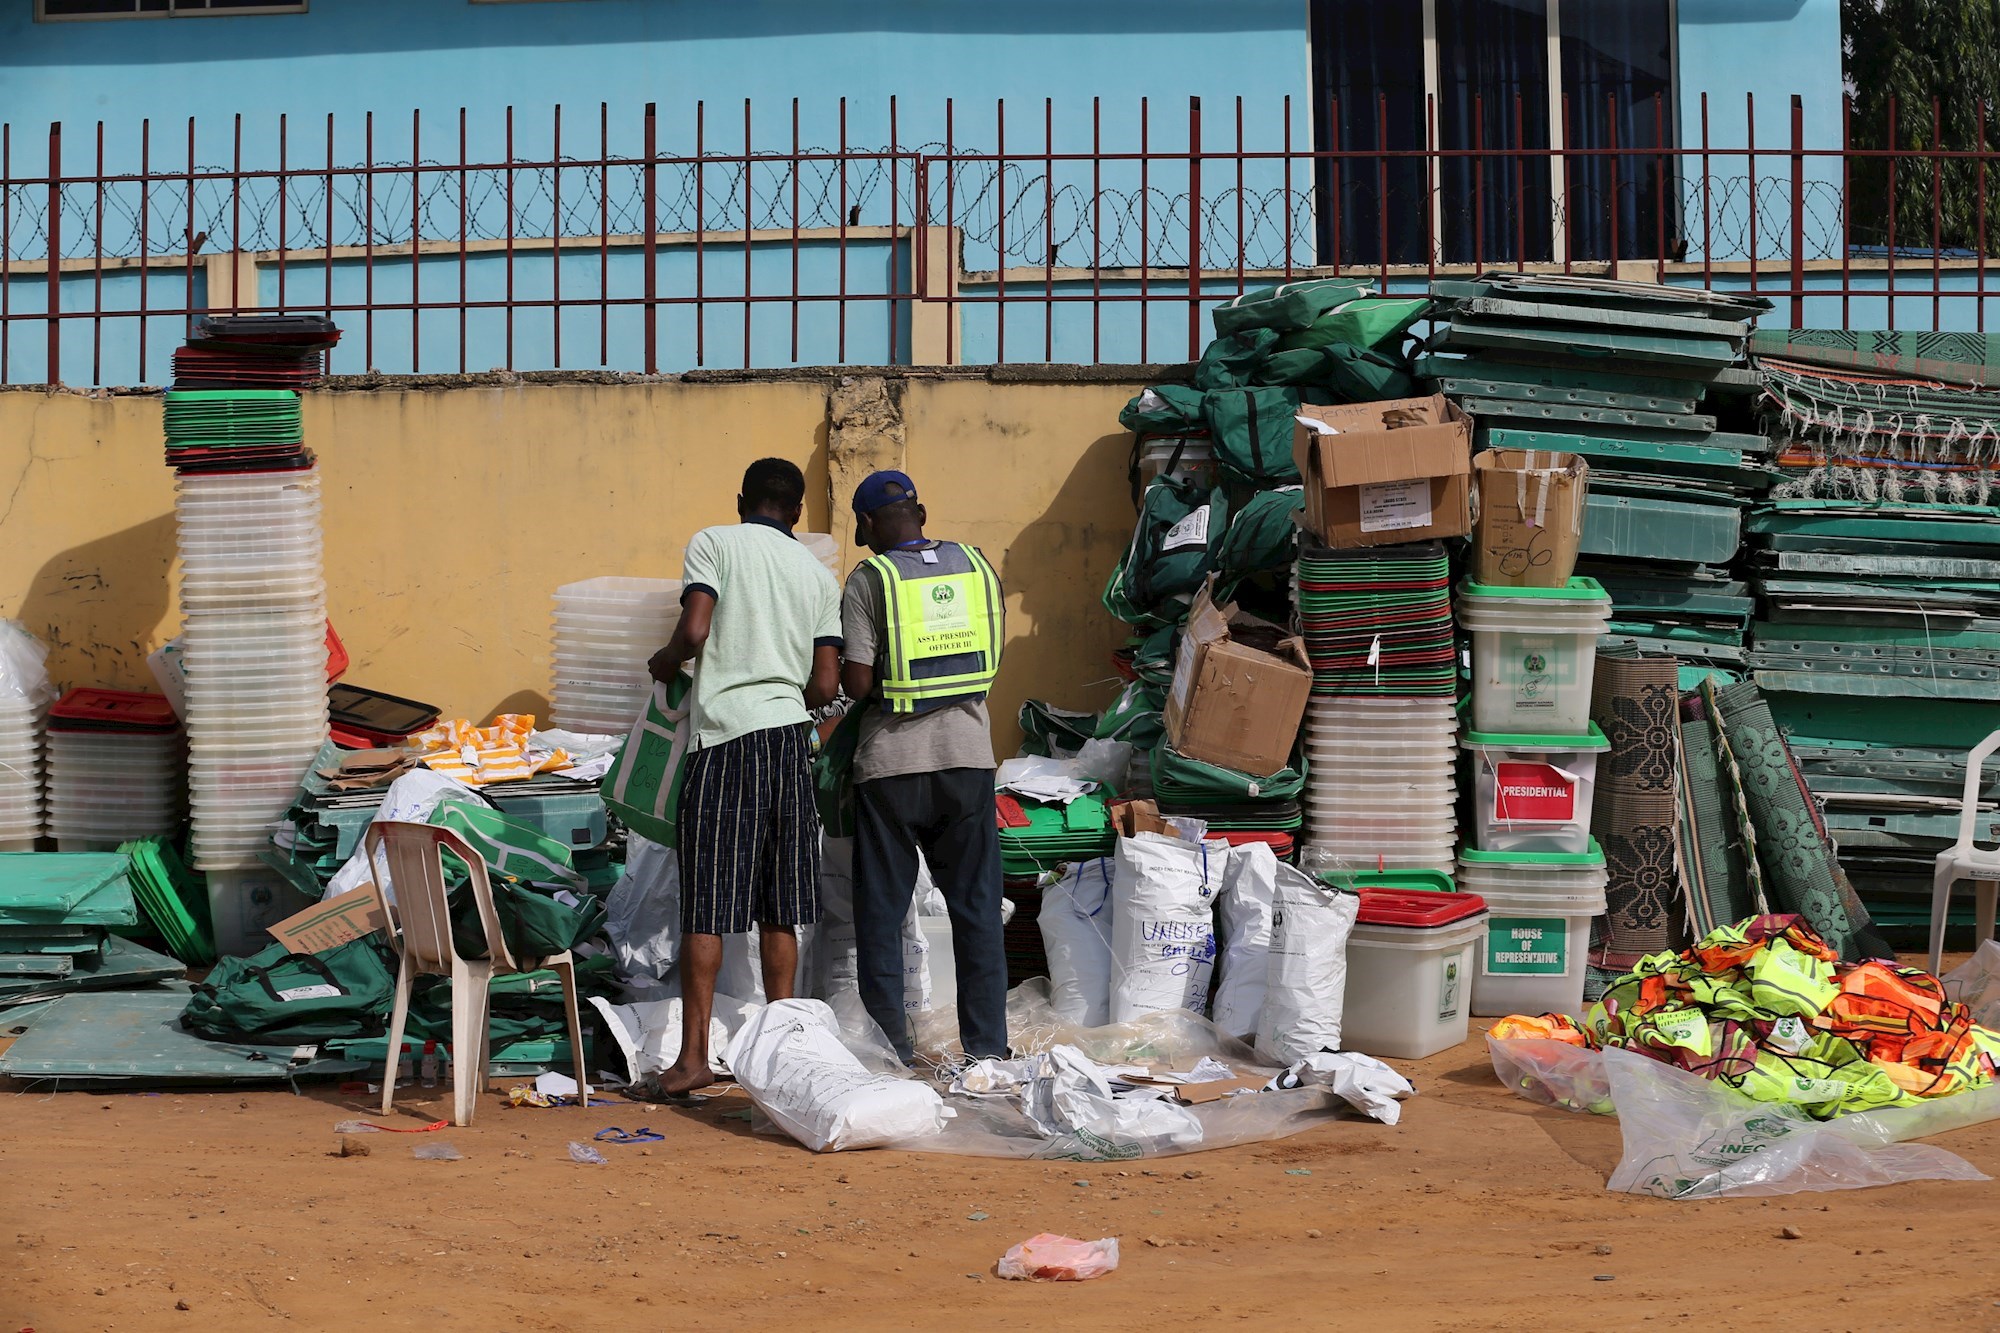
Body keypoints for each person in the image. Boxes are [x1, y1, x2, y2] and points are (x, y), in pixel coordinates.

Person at [641, 457, 842, 1096]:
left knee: (707, 905)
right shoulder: (816, 574)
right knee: (780, 907)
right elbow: (827, 684)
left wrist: (665, 659)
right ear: (799, 512)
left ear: (741, 501)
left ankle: (695, 1059)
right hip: (788, 742)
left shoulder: (714, 543)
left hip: (725, 739)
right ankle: (780, 1063)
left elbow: (695, 630)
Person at [839, 469, 1009, 1067]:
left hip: (891, 767)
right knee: (977, 910)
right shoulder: (976, 565)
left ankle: (891, 1052)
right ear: (922, 512)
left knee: (882, 915)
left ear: (864, 525)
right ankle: (988, 1049)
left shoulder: (869, 579)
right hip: (967, 759)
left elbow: (858, 681)